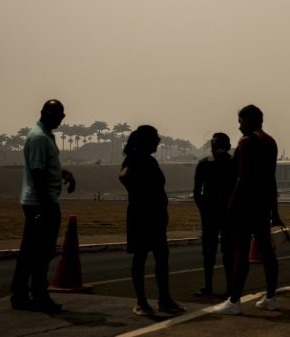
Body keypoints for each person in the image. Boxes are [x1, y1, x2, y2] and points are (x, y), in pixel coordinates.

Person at [214, 104, 281, 315]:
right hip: (262, 204)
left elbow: (242, 177)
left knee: (241, 251)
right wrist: (275, 210)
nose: (239, 126)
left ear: (250, 120)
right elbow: (271, 179)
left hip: (245, 204)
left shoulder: (246, 141)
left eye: (241, 121)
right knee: (267, 251)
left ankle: (234, 300)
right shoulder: (271, 142)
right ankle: (271, 297)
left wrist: (231, 204)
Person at [10, 99, 75, 313]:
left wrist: (63, 174)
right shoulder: (39, 138)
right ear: (47, 113)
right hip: (40, 202)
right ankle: (36, 294)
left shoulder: (46, 135)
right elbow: (37, 173)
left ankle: (23, 294)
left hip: (40, 201)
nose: (61, 118)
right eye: (59, 114)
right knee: (39, 252)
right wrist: (45, 205)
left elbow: (45, 168)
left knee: (32, 251)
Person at [119, 125, 184, 316]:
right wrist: (141, 196)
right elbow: (123, 176)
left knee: (160, 256)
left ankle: (164, 299)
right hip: (143, 215)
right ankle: (142, 301)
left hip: (153, 215)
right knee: (142, 257)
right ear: (147, 141)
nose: (158, 141)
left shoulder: (147, 160)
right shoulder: (136, 158)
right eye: (155, 138)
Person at [193, 132, 235, 297]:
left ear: (226, 146)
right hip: (210, 213)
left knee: (228, 251)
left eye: (217, 143)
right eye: (213, 143)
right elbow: (197, 191)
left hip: (228, 213)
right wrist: (202, 208)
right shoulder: (204, 164)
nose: (214, 146)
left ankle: (230, 287)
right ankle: (208, 285)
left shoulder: (233, 164)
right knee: (208, 251)